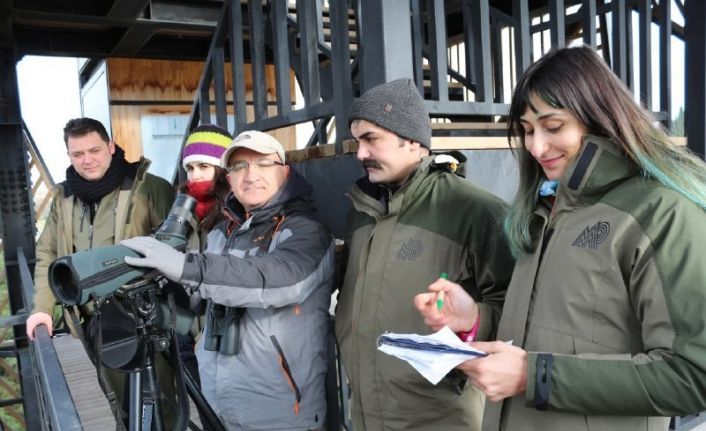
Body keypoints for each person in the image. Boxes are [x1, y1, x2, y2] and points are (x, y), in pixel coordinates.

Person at [415, 46, 706, 430]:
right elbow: (548, 331)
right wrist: (474, 319)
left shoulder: (663, 212)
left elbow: (692, 375)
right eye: (527, 130)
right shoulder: (542, 211)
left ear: (600, 118)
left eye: (553, 127)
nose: (536, 147)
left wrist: (534, 376)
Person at [121, 130, 334, 430]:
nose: (250, 176)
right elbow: (194, 300)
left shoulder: (307, 232)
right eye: (238, 167)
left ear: (285, 172)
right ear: (229, 179)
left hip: (280, 413)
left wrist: (185, 265)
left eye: (263, 164)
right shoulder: (223, 232)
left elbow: (275, 281)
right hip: (217, 403)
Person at [334, 78, 514, 430]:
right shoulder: (363, 208)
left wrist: (471, 326)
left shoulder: (474, 210)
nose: (360, 153)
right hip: (367, 412)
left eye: (372, 139)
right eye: (358, 141)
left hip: (440, 417)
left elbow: (519, 308)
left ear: (413, 141)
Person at [24, 117, 175, 423]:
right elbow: (47, 252)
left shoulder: (149, 189)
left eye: (94, 150)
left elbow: (178, 249)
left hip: (144, 321)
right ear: (68, 156)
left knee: (161, 408)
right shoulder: (63, 198)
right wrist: (42, 308)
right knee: (122, 408)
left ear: (111, 146)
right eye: (77, 154)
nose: (87, 160)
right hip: (93, 325)